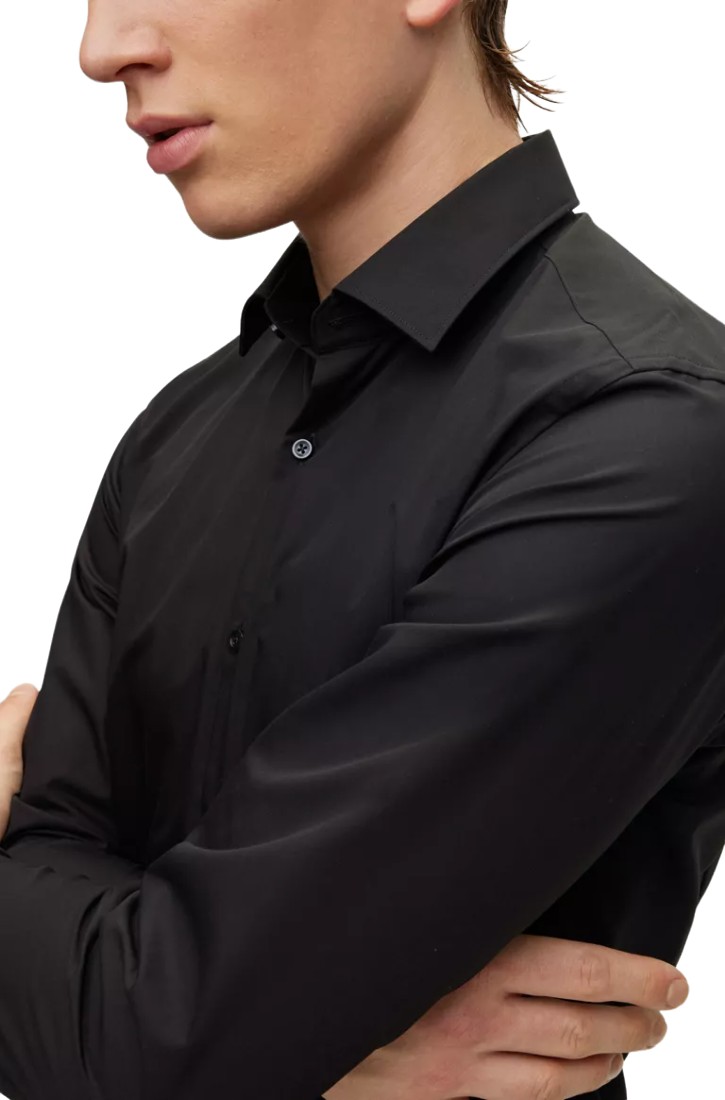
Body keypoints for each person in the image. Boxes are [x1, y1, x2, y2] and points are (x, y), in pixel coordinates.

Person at [1, 0, 722, 1099]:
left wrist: (238, 1034)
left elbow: (162, 1035)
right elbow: (160, 1013)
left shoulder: (645, 432)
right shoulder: (178, 432)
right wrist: (318, 1043)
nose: (102, 49)